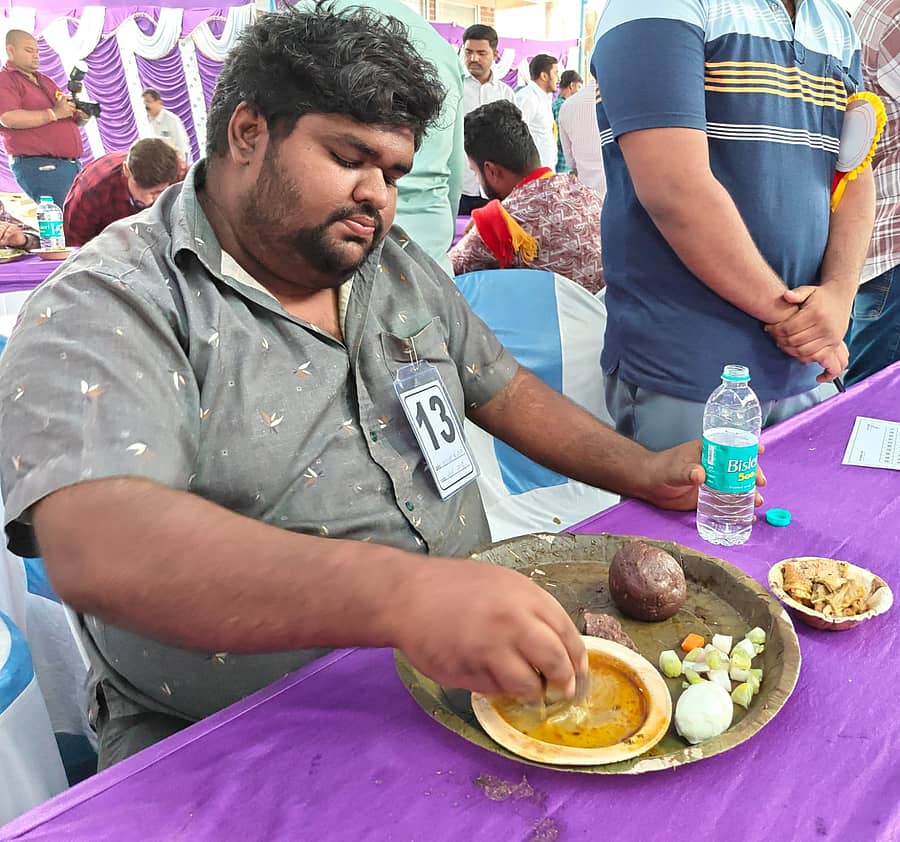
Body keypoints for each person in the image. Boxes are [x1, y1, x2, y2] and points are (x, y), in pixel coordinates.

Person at [0, 6, 752, 770]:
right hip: (240, 739)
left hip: (469, 678)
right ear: (248, 132)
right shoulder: (114, 297)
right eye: (349, 157)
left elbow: (501, 388)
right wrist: (406, 597)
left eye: (393, 173)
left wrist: (641, 469)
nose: (377, 196)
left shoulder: (389, 262)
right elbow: (103, 543)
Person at [592, 0, 875, 451]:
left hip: (806, 365)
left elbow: (854, 175)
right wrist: (802, 323)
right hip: (692, 368)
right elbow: (674, 189)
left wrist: (840, 295)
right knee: (696, 498)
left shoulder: (833, 22)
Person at [326, 0, 465, 276]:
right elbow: (453, 176)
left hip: (339, 260)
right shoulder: (439, 47)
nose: (378, 195)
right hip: (428, 256)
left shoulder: (305, 24)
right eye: (347, 160)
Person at [450, 100, 604, 294]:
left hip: (551, 312)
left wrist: (482, 227)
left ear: (491, 171)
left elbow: (444, 273)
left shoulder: (499, 223)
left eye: (475, 171)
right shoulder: (585, 192)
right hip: (604, 308)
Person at [846, 0, 900, 385]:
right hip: (893, 252)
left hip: (880, 248)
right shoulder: (894, 16)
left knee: (867, 402)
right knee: (875, 407)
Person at [0, 30, 93, 207]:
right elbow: (8, 118)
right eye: (29, 51)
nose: (36, 56)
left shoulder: (44, 80)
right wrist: (54, 113)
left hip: (69, 165)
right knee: (65, 216)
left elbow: (64, 112)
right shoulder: (5, 80)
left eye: (37, 51)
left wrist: (80, 116)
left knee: (81, 215)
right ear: (10, 50)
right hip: (41, 165)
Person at [63, 138, 182, 246]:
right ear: (126, 170)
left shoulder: (182, 179)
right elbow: (76, 247)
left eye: (158, 192)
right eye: (140, 187)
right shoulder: (91, 191)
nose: (148, 201)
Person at [459, 24, 515, 216]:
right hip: (460, 186)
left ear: (495, 54)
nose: (474, 58)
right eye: (469, 52)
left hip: (495, 187)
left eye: (481, 53)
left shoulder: (505, 94)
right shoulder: (455, 89)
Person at [558, 77, 606, 195]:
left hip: (585, 195)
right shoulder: (624, 101)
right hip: (620, 196)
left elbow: (571, 162)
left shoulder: (567, 106)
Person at [514, 54, 559, 171]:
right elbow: (516, 136)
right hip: (532, 171)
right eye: (555, 73)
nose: (558, 79)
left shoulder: (544, 98)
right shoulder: (528, 97)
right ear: (544, 76)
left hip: (544, 169)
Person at [141, 88, 192, 164]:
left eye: (148, 102)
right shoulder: (145, 121)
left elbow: (183, 146)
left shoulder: (172, 120)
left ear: (159, 103)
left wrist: (184, 166)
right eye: (144, 103)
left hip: (174, 164)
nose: (146, 106)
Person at [552, 69, 582, 174]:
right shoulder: (563, 106)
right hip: (562, 162)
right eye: (579, 87)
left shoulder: (557, 104)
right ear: (572, 85)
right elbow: (563, 137)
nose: (579, 92)